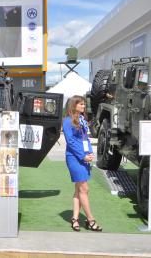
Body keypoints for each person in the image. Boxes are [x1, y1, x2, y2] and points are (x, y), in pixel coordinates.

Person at [63, 95, 102, 232]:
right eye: (80, 104)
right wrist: (83, 156)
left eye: (84, 104)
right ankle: (90, 220)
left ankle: (75, 219)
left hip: (84, 157)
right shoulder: (68, 121)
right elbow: (71, 142)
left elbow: (85, 139)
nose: (83, 106)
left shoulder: (82, 120)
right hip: (74, 158)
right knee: (84, 189)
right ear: (74, 105)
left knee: (78, 190)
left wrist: (90, 153)